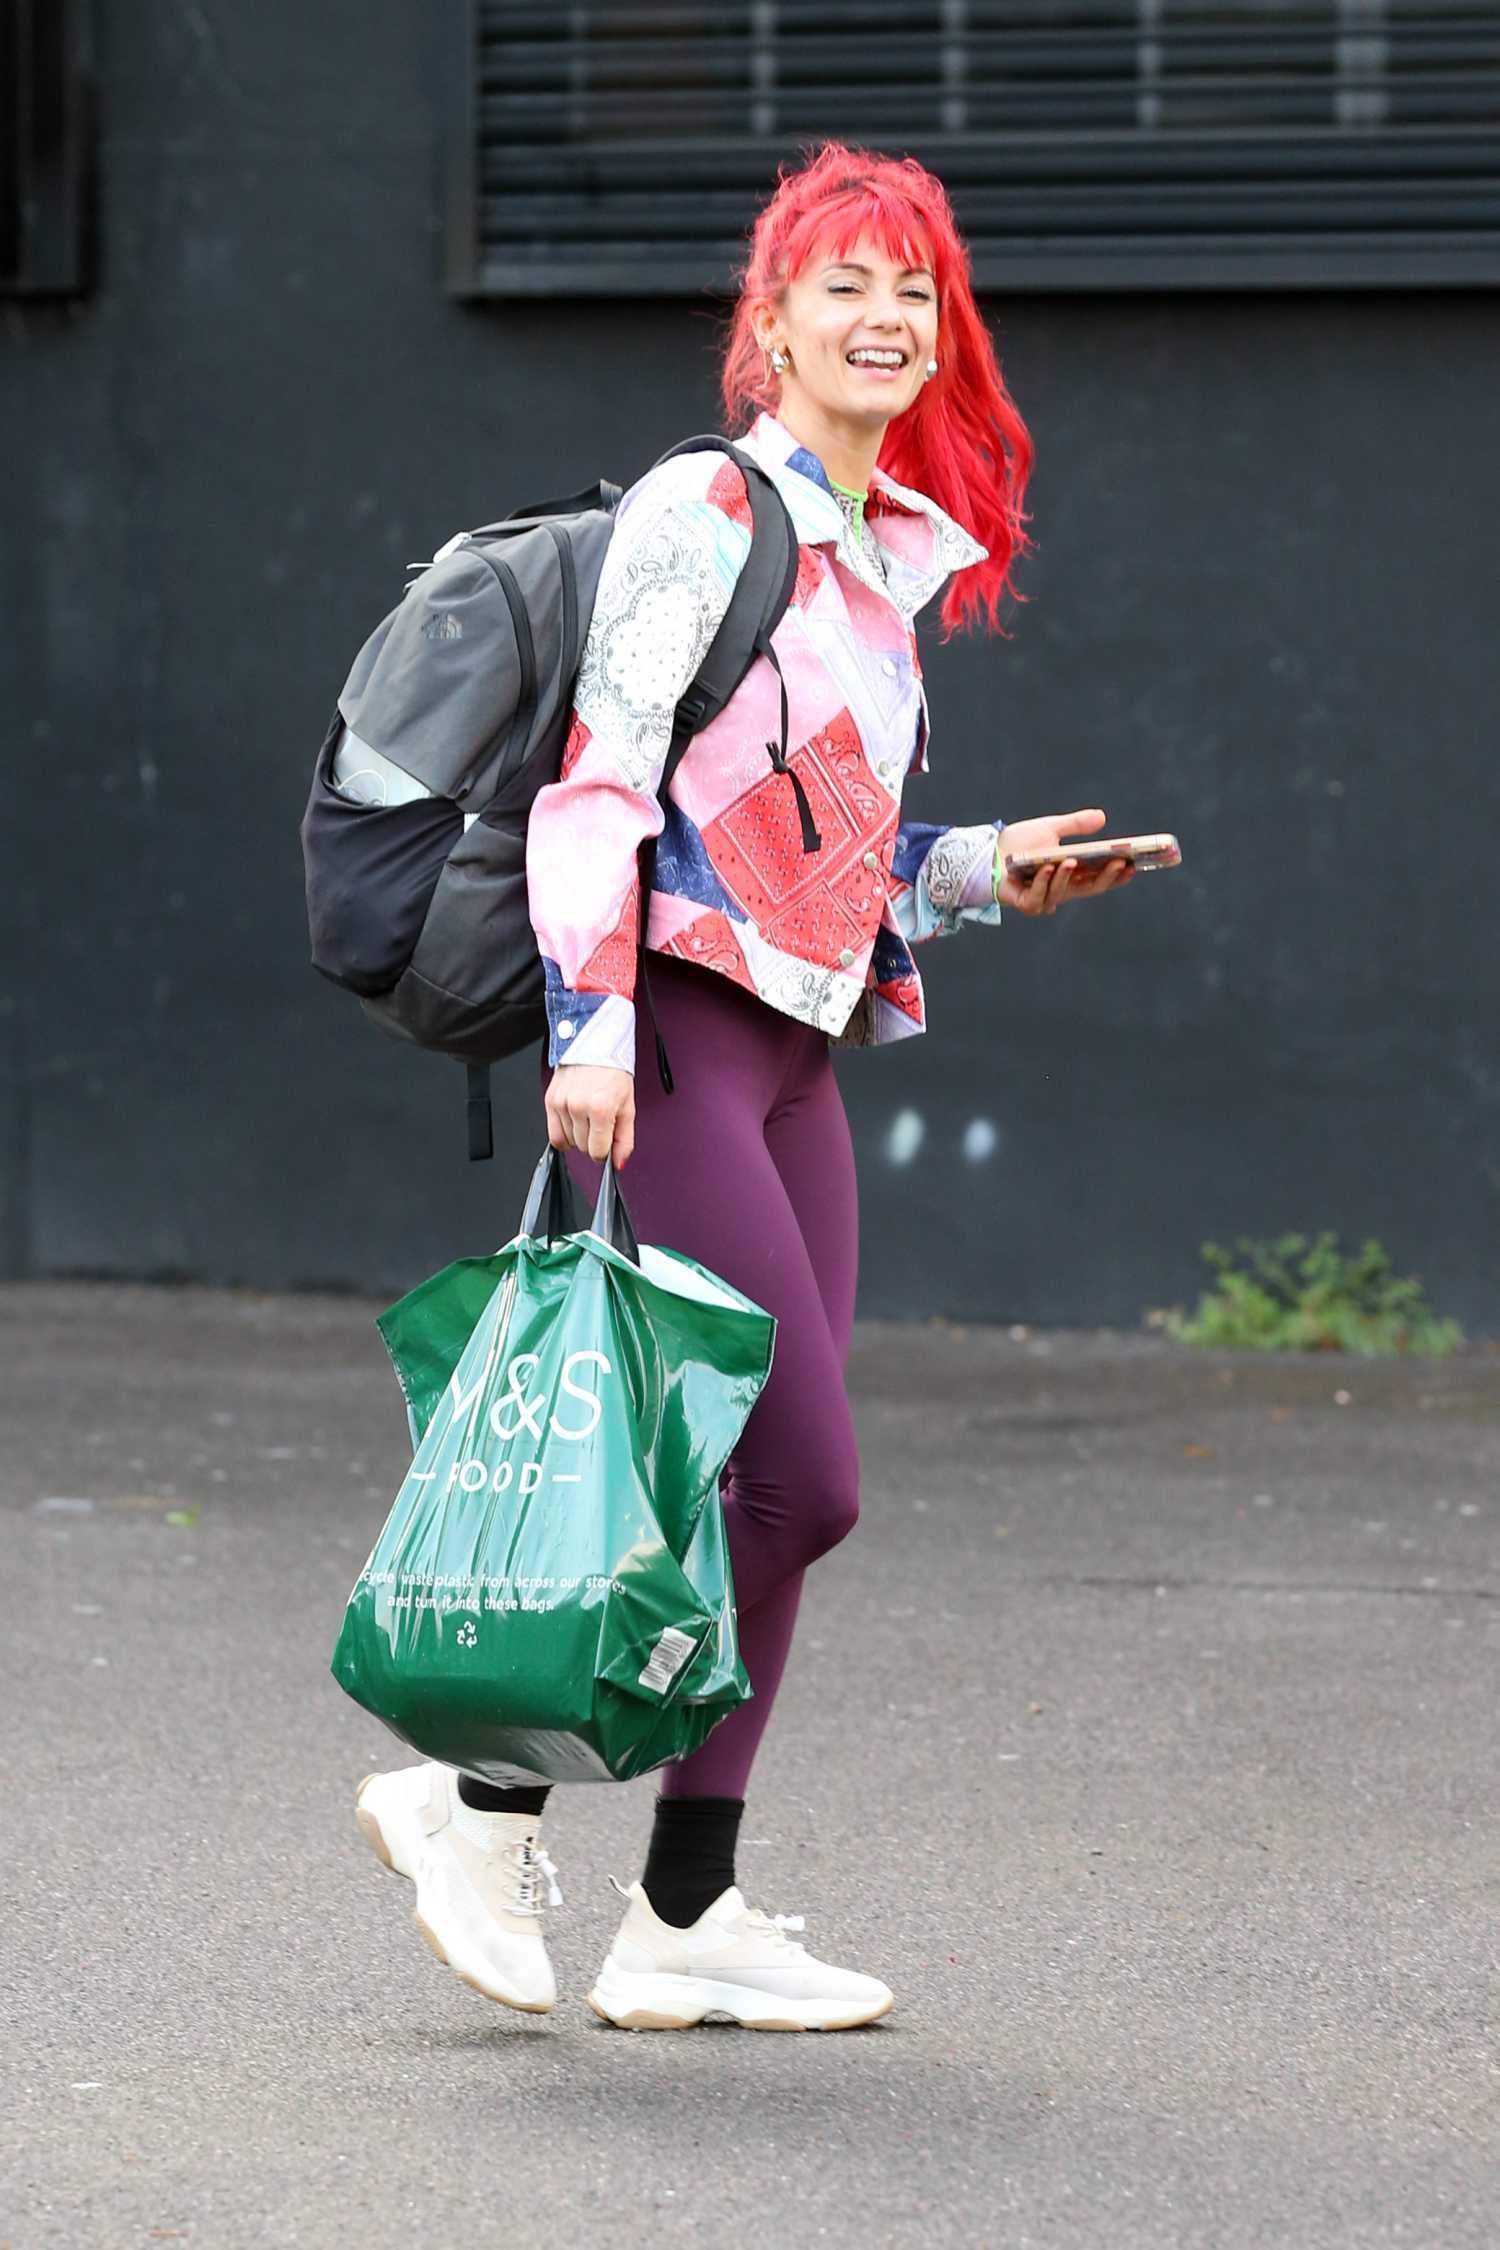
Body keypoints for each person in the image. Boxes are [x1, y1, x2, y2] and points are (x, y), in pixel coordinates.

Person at [354, 139, 1134, 2033]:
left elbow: (830, 850)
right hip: (681, 1038)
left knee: (755, 1475)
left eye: (913, 292)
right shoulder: (713, 511)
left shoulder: (879, 563)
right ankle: (472, 1800)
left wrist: (985, 869)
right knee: (803, 1476)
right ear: (767, 324)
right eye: (843, 286)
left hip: (797, 1060)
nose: (885, 318)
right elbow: (601, 789)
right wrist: (596, 1031)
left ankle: (681, 1915)